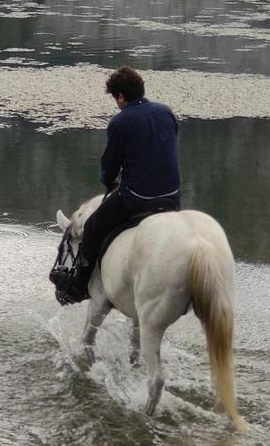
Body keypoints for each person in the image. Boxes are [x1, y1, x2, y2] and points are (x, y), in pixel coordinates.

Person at [51, 66, 181, 305]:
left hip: (137, 197)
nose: (116, 103)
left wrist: (109, 181)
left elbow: (110, 165)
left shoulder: (120, 122)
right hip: (171, 197)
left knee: (91, 228)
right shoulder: (167, 112)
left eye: (115, 98)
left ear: (121, 97)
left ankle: (79, 286)